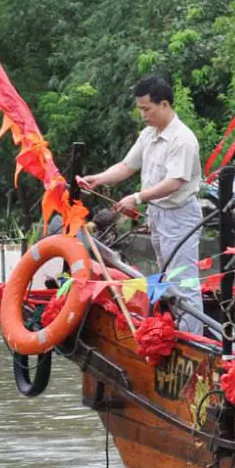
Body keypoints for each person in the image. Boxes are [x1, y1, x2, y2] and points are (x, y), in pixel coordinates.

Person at [78, 75, 204, 332]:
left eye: (147, 109)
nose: (143, 115)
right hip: (158, 216)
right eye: (140, 110)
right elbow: (127, 166)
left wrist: (137, 198)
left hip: (180, 216)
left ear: (165, 105)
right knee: (166, 280)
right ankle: (176, 331)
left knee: (184, 283)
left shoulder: (182, 139)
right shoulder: (148, 134)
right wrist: (98, 179)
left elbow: (174, 182)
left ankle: (195, 344)